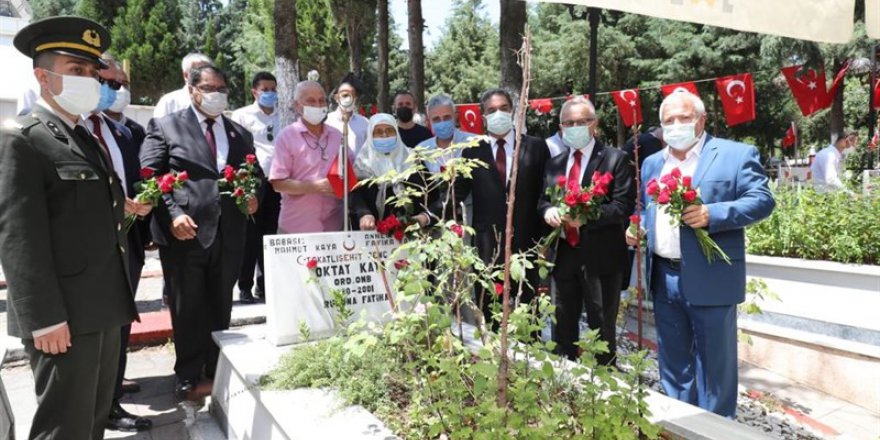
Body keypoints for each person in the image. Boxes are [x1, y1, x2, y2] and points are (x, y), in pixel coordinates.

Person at [0, 16, 140, 439]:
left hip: (102, 306)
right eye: (75, 70)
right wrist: (42, 319)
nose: (90, 81)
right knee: (64, 427)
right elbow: (19, 236)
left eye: (92, 72)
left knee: (92, 423)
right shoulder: (22, 138)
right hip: (62, 317)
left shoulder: (83, 136)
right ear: (43, 76)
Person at [626, 90, 775, 418]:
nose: (676, 125)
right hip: (663, 277)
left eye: (683, 118)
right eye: (668, 121)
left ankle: (718, 430)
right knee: (674, 365)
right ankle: (681, 425)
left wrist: (713, 214)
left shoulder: (734, 155)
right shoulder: (652, 163)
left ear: (702, 120)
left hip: (712, 277)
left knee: (715, 370)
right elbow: (642, 206)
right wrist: (635, 225)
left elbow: (762, 200)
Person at [140, 65, 259, 399]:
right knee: (189, 306)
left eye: (222, 87)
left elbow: (256, 174)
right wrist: (172, 214)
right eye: (209, 87)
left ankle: (216, 369)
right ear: (192, 89)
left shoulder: (239, 132)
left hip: (229, 233)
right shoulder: (166, 126)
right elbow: (150, 176)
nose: (217, 93)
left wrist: (254, 197)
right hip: (185, 234)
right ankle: (188, 375)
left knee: (221, 304)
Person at [432, 88, 550, 326]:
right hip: (487, 246)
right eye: (491, 110)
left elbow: (545, 194)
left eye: (503, 109)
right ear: (483, 116)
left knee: (527, 311)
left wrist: (545, 243)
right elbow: (456, 194)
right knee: (490, 309)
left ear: (513, 111)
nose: (498, 114)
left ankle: (526, 360)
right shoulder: (474, 150)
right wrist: (428, 214)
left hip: (527, 244)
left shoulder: (535, 147)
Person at [538, 96, 635, 365]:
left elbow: (622, 206)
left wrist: (586, 219)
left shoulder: (616, 159)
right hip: (563, 255)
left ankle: (603, 386)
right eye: (569, 123)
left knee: (601, 328)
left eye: (582, 121)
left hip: (601, 257)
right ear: (560, 127)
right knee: (562, 325)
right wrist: (548, 211)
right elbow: (543, 199)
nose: (575, 127)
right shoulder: (555, 163)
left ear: (595, 124)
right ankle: (565, 378)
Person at [85, 55, 153, 431]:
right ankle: (94, 405)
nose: (115, 91)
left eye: (119, 84)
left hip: (128, 239)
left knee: (120, 325)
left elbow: (136, 179)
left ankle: (111, 401)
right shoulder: (73, 129)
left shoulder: (123, 132)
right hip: (88, 248)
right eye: (107, 82)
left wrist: (144, 201)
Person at [231, 71, 282, 304]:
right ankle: (244, 286)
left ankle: (266, 285)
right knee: (250, 237)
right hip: (253, 182)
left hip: (278, 182)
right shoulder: (242, 115)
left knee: (270, 235)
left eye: (273, 89)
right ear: (254, 91)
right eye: (265, 89)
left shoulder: (284, 117)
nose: (270, 93)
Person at [270, 80, 345, 233]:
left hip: (333, 227)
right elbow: (278, 183)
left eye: (321, 100)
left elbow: (349, 172)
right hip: (296, 228)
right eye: (311, 101)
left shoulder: (338, 136)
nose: (317, 105)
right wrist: (314, 187)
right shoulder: (286, 137)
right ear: (298, 106)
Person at [352, 113, 433, 229]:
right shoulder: (362, 163)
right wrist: (364, 214)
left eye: (389, 130)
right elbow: (354, 195)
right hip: (372, 236)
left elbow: (430, 192)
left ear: (397, 133)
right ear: (370, 135)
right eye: (378, 132)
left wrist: (423, 217)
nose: (384, 135)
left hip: (412, 233)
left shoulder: (412, 159)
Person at [417, 94, 476, 223]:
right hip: (435, 219)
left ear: (455, 116)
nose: (442, 122)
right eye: (436, 119)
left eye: (446, 117)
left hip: (470, 216)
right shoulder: (422, 150)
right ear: (429, 121)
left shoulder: (473, 143)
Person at [152, 52, 213, 119]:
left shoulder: (214, 100)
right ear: (186, 75)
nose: (204, 75)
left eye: (207, 71)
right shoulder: (169, 102)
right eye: (198, 71)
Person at [326, 73, 370, 157]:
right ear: (337, 97)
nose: (349, 99)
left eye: (353, 95)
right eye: (345, 95)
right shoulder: (327, 122)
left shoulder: (365, 123)